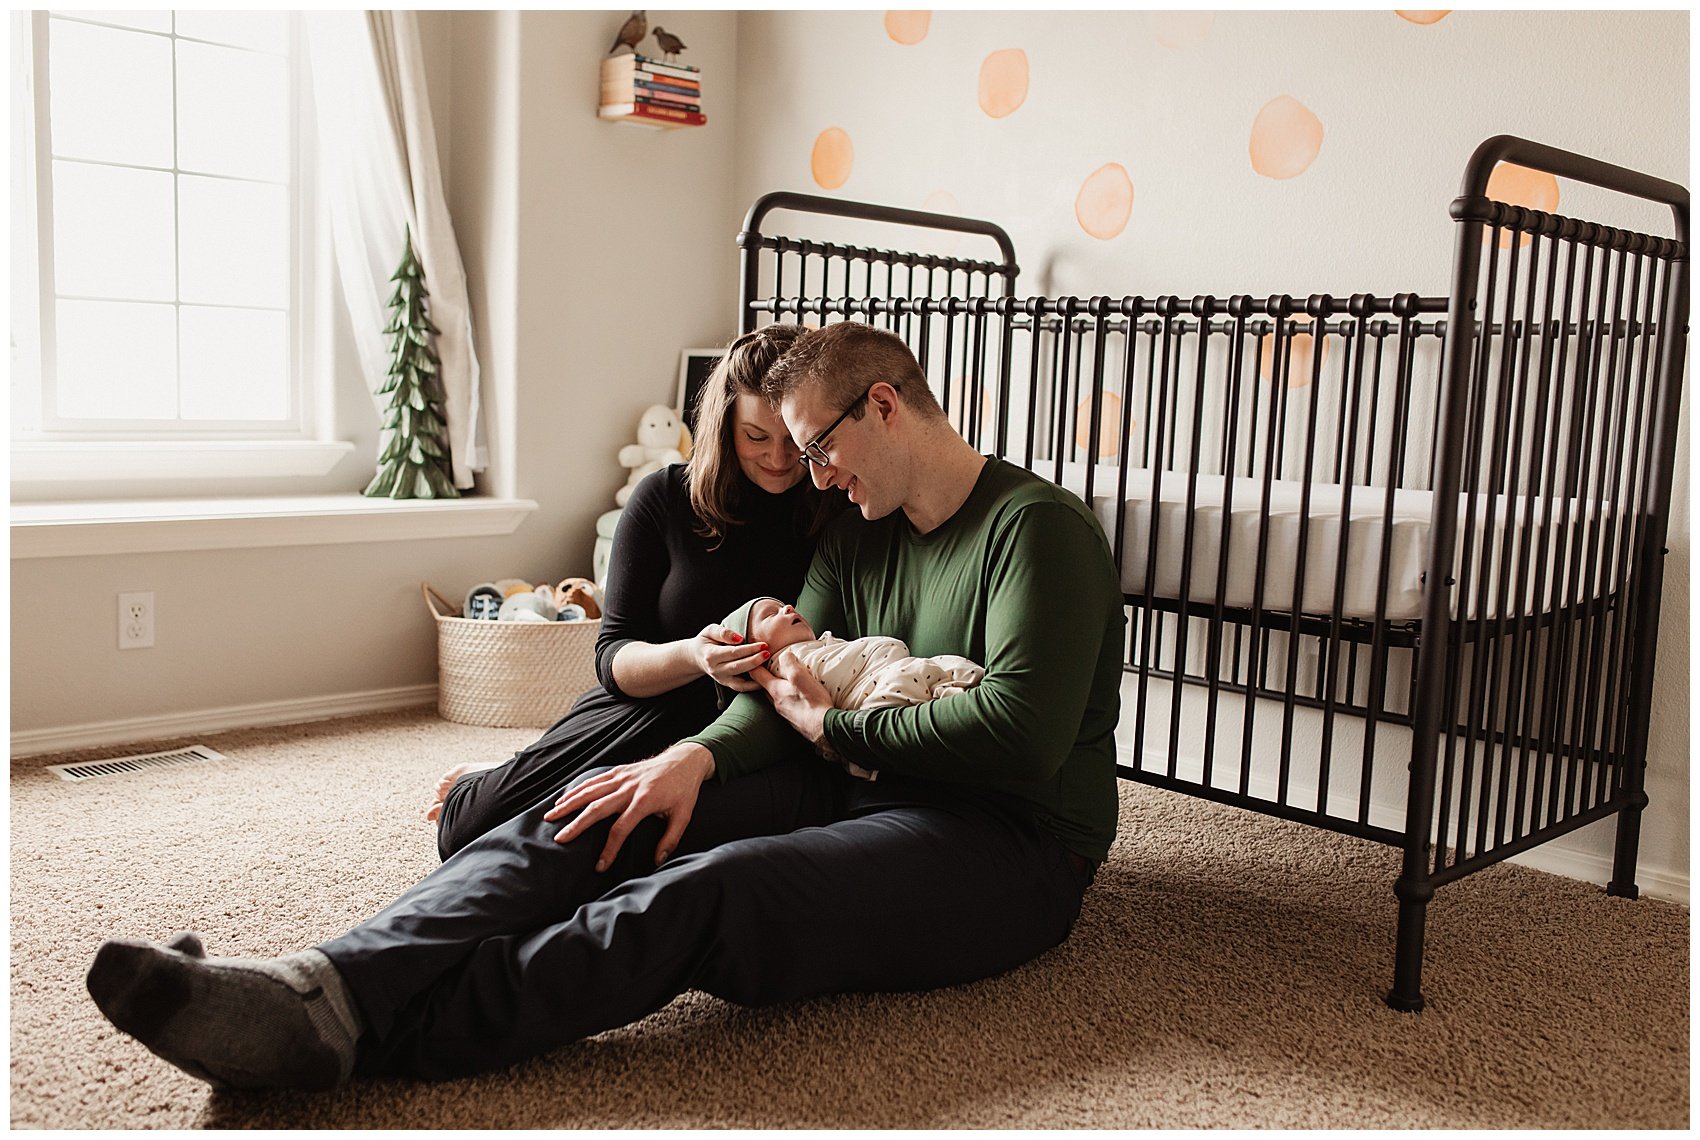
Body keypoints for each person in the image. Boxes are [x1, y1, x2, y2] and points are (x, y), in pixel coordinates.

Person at [84, 320, 1126, 1090]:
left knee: (712, 889)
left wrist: (830, 726)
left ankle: (354, 1042)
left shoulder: (1038, 533)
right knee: (602, 805)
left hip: (1007, 843)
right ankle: (318, 983)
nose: (811, 475)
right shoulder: (857, 531)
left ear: (884, 407)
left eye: (818, 449)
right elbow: (780, 678)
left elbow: (1020, 738)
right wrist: (692, 763)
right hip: (848, 781)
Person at [428, 323, 841, 858]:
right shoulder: (665, 498)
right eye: (756, 437)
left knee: (611, 849)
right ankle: (496, 773)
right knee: (468, 831)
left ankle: (518, 767)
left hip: (761, 724)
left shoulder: (837, 508)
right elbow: (614, 657)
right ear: (722, 427)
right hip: (651, 701)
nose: (781, 459)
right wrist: (696, 655)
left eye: (794, 438)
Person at [723, 595, 984, 780]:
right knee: (917, 678)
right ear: (756, 650)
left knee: (946, 667)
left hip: (883, 680)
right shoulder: (790, 663)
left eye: (783, 605)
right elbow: (841, 674)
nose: (788, 608)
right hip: (874, 696)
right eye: (771, 614)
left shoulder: (819, 647)